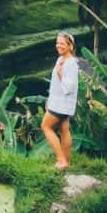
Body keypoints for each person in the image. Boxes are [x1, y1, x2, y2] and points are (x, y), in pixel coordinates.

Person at [40, 31, 79, 170]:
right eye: (57, 43)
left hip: (62, 104)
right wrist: (49, 100)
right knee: (64, 129)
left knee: (46, 127)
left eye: (62, 43)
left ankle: (61, 160)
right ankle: (66, 162)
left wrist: (60, 74)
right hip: (57, 102)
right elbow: (55, 84)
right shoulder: (60, 59)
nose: (58, 46)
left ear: (70, 46)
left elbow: (70, 86)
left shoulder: (71, 63)